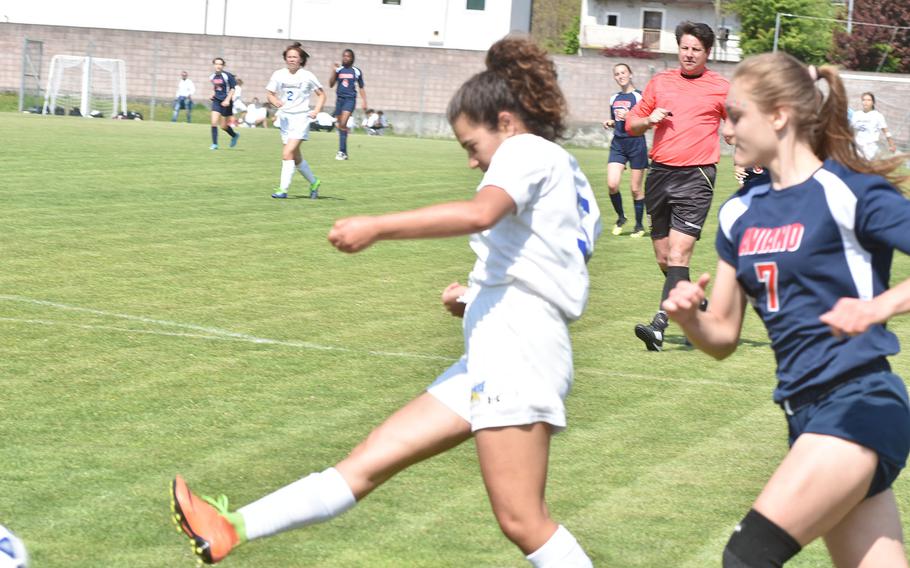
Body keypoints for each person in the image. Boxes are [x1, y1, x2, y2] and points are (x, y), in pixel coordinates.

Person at [171, 36, 601, 567]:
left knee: (521, 519)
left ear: (507, 122)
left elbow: (479, 215)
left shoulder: (526, 150)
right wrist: (474, 297)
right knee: (369, 460)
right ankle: (231, 527)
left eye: (472, 146)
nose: (472, 163)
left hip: (518, 350)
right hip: (501, 343)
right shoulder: (562, 172)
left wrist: (377, 226)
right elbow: (544, 262)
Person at [663, 51, 910, 567]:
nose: (726, 130)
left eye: (736, 115)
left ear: (778, 115)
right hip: (804, 414)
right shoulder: (739, 213)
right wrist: (691, 318)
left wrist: (878, 307)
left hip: (860, 401)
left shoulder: (848, 191)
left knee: (746, 557)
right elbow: (723, 337)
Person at [624, 21, 729, 352]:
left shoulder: (721, 87)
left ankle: (658, 324)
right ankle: (698, 308)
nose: (689, 54)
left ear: (707, 53)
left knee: (679, 252)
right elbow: (630, 125)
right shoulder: (660, 83)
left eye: (696, 49)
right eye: (684, 47)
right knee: (665, 259)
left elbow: (741, 122)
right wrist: (648, 119)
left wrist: (745, 150)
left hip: (697, 176)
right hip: (660, 174)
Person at [265, 42, 326, 200]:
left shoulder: (307, 76)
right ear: (285, 58)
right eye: (289, 57)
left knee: (287, 153)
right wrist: (275, 101)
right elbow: (270, 93)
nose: (291, 59)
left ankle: (282, 190)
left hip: (301, 118)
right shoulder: (278, 74)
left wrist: (316, 111)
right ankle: (314, 182)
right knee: (296, 157)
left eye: (295, 57)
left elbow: (322, 95)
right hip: (285, 119)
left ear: (301, 60)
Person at [601, 62, 647, 237]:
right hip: (618, 144)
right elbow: (616, 120)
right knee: (612, 184)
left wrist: (630, 116)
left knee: (635, 189)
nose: (620, 76)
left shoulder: (640, 97)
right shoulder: (614, 98)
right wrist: (610, 122)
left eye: (623, 72)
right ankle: (621, 217)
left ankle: (639, 226)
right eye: (617, 74)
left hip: (636, 143)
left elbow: (646, 121)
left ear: (631, 74)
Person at [329, 48, 367, 160]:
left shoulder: (356, 71)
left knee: (343, 123)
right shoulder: (339, 70)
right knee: (341, 125)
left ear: (352, 59)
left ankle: (341, 151)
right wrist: (333, 71)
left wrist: (364, 101)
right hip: (339, 100)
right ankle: (344, 152)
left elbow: (361, 87)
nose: (345, 58)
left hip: (350, 100)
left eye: (348, 56)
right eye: (344, 56)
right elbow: (331, 84)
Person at [851, 92, 897, 160]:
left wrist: (891, 144)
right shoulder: (856, 114)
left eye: (869, 100)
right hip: (858, 147)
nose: (866, 102)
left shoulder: (878, 116)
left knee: (866, 168)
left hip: (871, 148)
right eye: (864, 100)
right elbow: (851, 130)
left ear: (873, 102)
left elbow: (886, 132)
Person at [208, 57, 239, 150]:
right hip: (217, 101)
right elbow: (216, 87)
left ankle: (234, 135)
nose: (218, 66)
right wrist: (213, 94)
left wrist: (227, 100)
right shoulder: (212, 76)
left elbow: (233, 89)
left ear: (223, 65)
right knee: (213, 122)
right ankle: (215, 144)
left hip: (226, 102)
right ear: (214, 65)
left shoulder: (227, 76)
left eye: (220, 64)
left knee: (223, 126)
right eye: (216, 64)